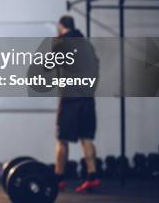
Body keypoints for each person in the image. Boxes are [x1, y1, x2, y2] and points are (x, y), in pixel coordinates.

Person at [52, 15, 100, 193]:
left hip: (70, 100)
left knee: (62, 140)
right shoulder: (87, 45)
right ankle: (93, 177)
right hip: (87, 99)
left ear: (61, 26)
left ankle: (58, 178)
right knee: (86, 138)